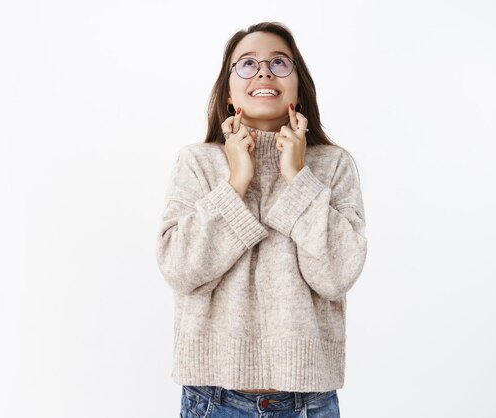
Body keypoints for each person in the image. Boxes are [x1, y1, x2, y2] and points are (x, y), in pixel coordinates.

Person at [156, 21, 367, 417]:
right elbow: (180, 269)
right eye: (247, 64)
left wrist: (298, 178)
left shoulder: (333, 165)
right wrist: (236, 181)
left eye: (278, 63)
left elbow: (337, 276)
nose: (264, 72)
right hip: (212, 400)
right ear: (228, 88)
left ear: (299, 86)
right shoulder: (198, 163)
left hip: (309, 402)